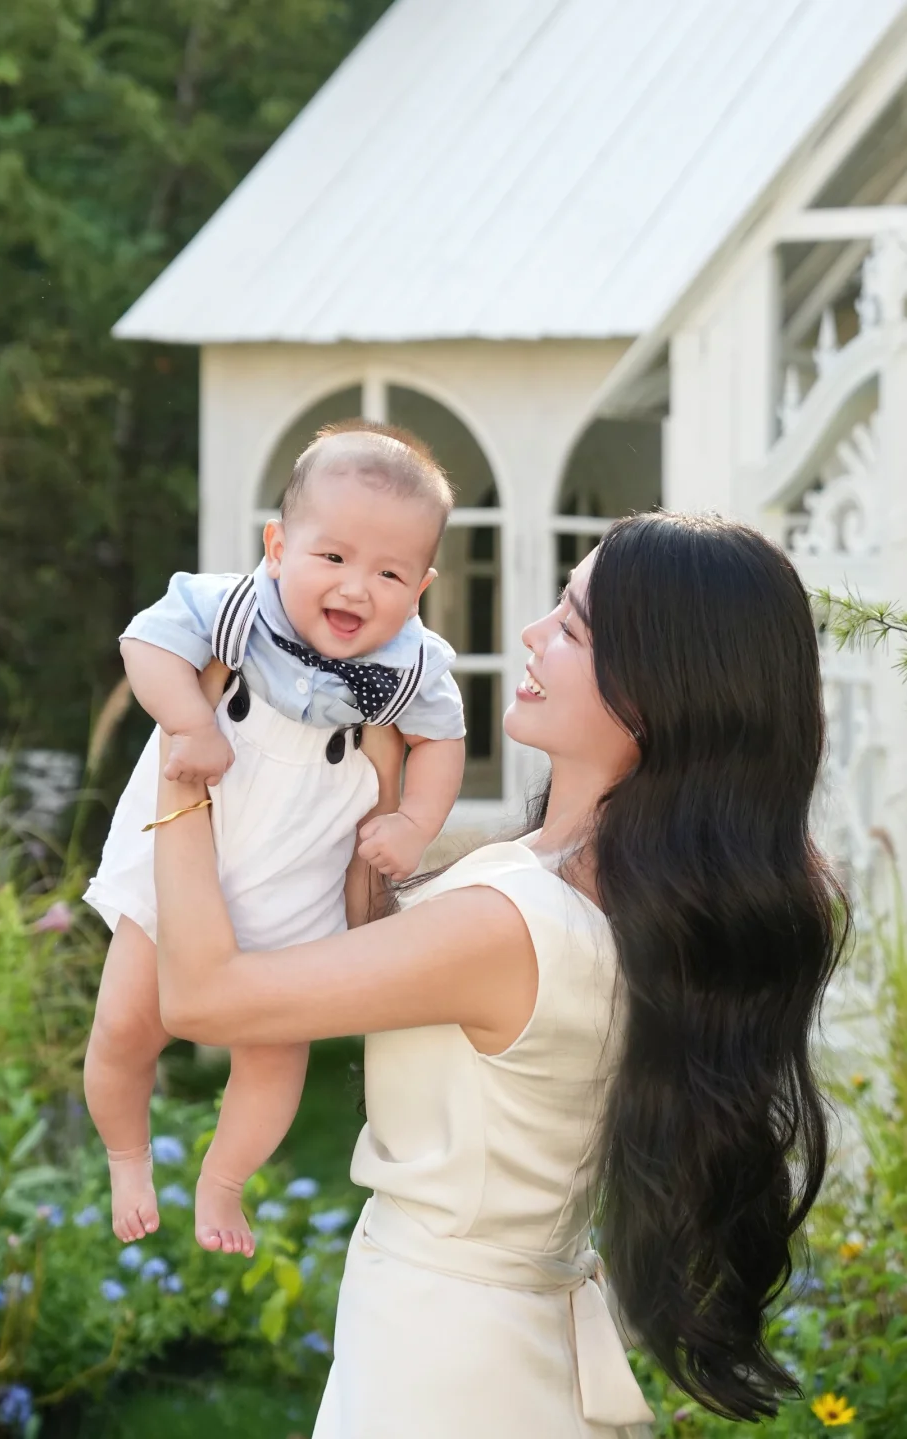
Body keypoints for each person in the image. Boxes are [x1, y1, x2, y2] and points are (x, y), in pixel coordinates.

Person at [147, 511, 847, 1437]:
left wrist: (183, 750)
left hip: (446, 1369)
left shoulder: (517, 925)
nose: (533, 634)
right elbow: (379, 958)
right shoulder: (610, 897)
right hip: (485, 1339)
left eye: (572, 625)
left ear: (655, 692)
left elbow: (202, 996)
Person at [83, 422, 467, 1254]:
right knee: (122, 1028)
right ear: (278, 543)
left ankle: (224, 1180)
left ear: (423, 584)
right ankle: (126, 1152)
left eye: (390, 572)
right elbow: (144, 644)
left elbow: (443, 743)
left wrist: (413, 822)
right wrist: (190, 721)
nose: (357, 587)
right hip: (188, 858)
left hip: (296, 880)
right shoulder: (230, 606)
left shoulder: (412, 665)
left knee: (273, 1058)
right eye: (332, 557)